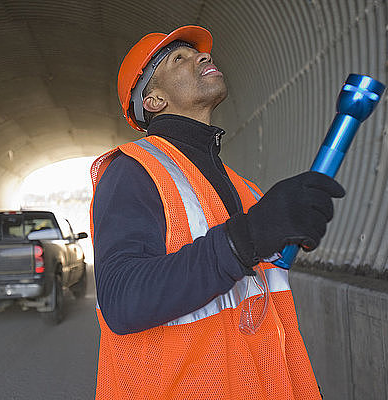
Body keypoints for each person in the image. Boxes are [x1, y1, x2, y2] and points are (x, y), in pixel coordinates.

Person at [89, 25, 343, 399]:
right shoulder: (133, 171)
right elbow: (122, 300)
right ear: (154, 100)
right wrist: (247, 238)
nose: (203, 56)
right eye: (180, 58)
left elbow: (264, 305)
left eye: (200, 54)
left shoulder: (241, 186)